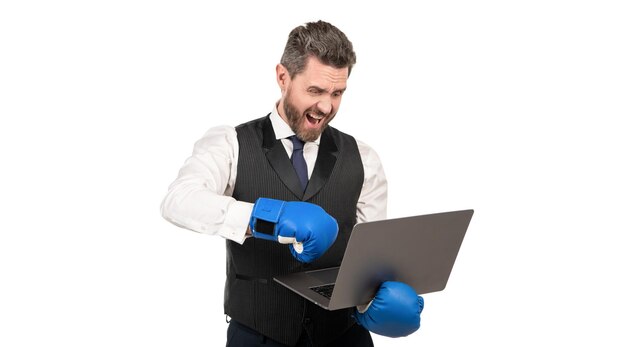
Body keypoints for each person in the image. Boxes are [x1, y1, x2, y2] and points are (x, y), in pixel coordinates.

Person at [161, 20, 424, 347]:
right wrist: (267, 216)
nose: (326, 107)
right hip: (257, 336)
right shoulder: (231, 142)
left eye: (337, 93)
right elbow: (179, 200)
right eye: (315, 91)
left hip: (343, 337)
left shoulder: (364, 158)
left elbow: (370, 255)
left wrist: (374, 301)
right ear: (283, 77)